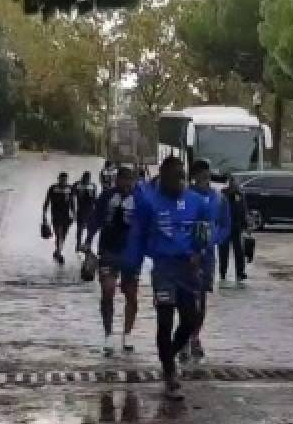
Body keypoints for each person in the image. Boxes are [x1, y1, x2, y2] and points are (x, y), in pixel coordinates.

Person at [123, 156, 224, 400]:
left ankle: (168, 355)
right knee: (165, 321)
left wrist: (200, 252)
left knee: (190, 321)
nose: (179, 182)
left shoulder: (197, 202)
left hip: (188, 271)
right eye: (174, 177)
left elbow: (206, 233)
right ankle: (170, 376)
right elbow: (137, 237)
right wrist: (130, 269)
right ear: (164, 178)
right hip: (164, 270)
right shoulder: (149, 201)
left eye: (182, 176)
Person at [85, 166, 139, 356]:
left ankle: (128, 333)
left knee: (131, 294)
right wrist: (87, 242)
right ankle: (108, 334)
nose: (125, 184)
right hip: (108, 250)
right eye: (122, 180)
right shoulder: (106, 197)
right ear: (117, 180)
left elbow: (147, 223)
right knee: (108, 291)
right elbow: (94, 219)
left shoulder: (139, 199)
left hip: (131, 253)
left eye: (129, 180)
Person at [180, 159, 228, 363]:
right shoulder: (183, 197)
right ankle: (183, 339)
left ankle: (195, 337)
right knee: (186, 298)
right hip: (186, 255)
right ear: (194, 177)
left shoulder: (218, 199)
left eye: (207, 176)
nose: (205, 180)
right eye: (201, 176)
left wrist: (213, 240)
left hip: (207, 256)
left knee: (201, 300)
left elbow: (225, 225)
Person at [219, 175, 250, 288]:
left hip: (236, 227)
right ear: (229, 183)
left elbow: (243, 210)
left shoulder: (240, 195)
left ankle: (240, 273)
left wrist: (246, 226)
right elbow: (219, 209)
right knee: (223, 252)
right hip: (224, 228)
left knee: (239, 251)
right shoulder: (223, 194)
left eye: (235, 182)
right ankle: (222, 272)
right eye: (232, 182)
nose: (234, 184)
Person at [42, 172, 73, 264]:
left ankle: (57, 251)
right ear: (58, 179)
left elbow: (73, 202)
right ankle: (59, 254)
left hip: (67, 217)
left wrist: (74, 213)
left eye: (65, 180)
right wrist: (44, 215)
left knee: (63, 236)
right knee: (59, 235)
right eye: (62, 179)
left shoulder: (70, 188)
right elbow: (46, 202)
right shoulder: (53, 188)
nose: (63, 181)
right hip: (56, 216)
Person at [71, 171, 99, 253]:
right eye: (85, 178)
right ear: (83, 178)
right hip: (81, 210)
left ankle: (87, 244)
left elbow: (94, 198)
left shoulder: (93, 186)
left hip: (90, 210)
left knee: (90, 228)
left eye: (88, 179)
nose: (87, 180)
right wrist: (73, 210)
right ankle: (78, 244)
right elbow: (72, 198)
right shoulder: (77, 185)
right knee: (80, 228)